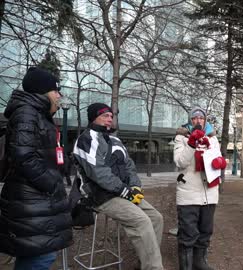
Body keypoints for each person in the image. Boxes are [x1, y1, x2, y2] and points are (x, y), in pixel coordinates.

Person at [73, 103, 164, 270]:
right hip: (99, 196)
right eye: (105, 116)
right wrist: (125, 191)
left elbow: (129, 165)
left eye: (111, 116)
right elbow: (98, 172)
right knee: (141, 221)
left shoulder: (115, 139)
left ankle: (146, 263)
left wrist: (135, 187)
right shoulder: (85, 139)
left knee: (156, 218)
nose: (110, 119)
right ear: (94, 117)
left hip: (122, 192)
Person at [0, 67, 73, 269]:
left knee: (37, 254)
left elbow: (39, 152)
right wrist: (52, 184)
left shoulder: (39, 115)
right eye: (56, 91)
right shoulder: (27, 113)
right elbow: (23, 156)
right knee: (40, 257)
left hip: (35, 200)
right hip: (30, 200)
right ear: (43, 92)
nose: (59, 96)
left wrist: (63, 162)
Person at [174, 107, 226, 270]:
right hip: (188, 192)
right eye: (194, 118)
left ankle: (199, 262)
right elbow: (180, 162)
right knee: (188, 233)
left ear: (205, 121)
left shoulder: (213, 138)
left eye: (201, 118)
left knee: (205, 231)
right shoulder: (181, 138)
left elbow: (217, 158)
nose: (198, 120)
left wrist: (221, 163)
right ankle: (186, 266)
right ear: (190, 120)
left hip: (210, 193)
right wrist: (191, 144)